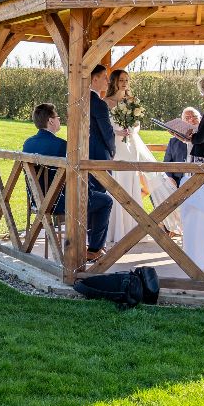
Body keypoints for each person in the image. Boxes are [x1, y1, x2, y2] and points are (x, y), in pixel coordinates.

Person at [22, 102, 112, 263]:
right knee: (104, 200)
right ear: (50, 121)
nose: (59, 120)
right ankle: (94, 250)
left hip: (37, 200)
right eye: (57, 117)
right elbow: (77, 177)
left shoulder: (28, 143)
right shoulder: (62, 146)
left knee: (90, 195)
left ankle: (86, 246)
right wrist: (89, 191)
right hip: (57, 202)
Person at [103, 69, 179, 245]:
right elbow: (104, 126)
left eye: (127, 80)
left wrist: (131, 130)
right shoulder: (105, 102)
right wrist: (117, 131)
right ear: (114, 82)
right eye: (121, 80)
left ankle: (131, 227)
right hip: (116, 146)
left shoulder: (131, 102)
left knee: (131, 182)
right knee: (117, 181)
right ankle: (115, 227)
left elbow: (137, 124)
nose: (124, 83)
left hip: (131, 146)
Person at [86, 66, 116, 262]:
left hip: (86, 153)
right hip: (98, 155)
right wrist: (113, 150)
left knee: (90, 197)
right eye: (104, 78)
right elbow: (107, 131)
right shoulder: (98, 102)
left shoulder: (80, 100)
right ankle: (95, 247)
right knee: (100, 199)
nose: (108, 81)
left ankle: (92, 244)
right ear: (94, 79)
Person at [163, 107, 201, 185]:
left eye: (195, 117)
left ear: (201, 119)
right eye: (187, 118)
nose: (191, 120)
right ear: (182, 122)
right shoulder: (173, 141)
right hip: (179, 182)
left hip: (201, 181)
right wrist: (170, 178)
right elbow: (166, 164)